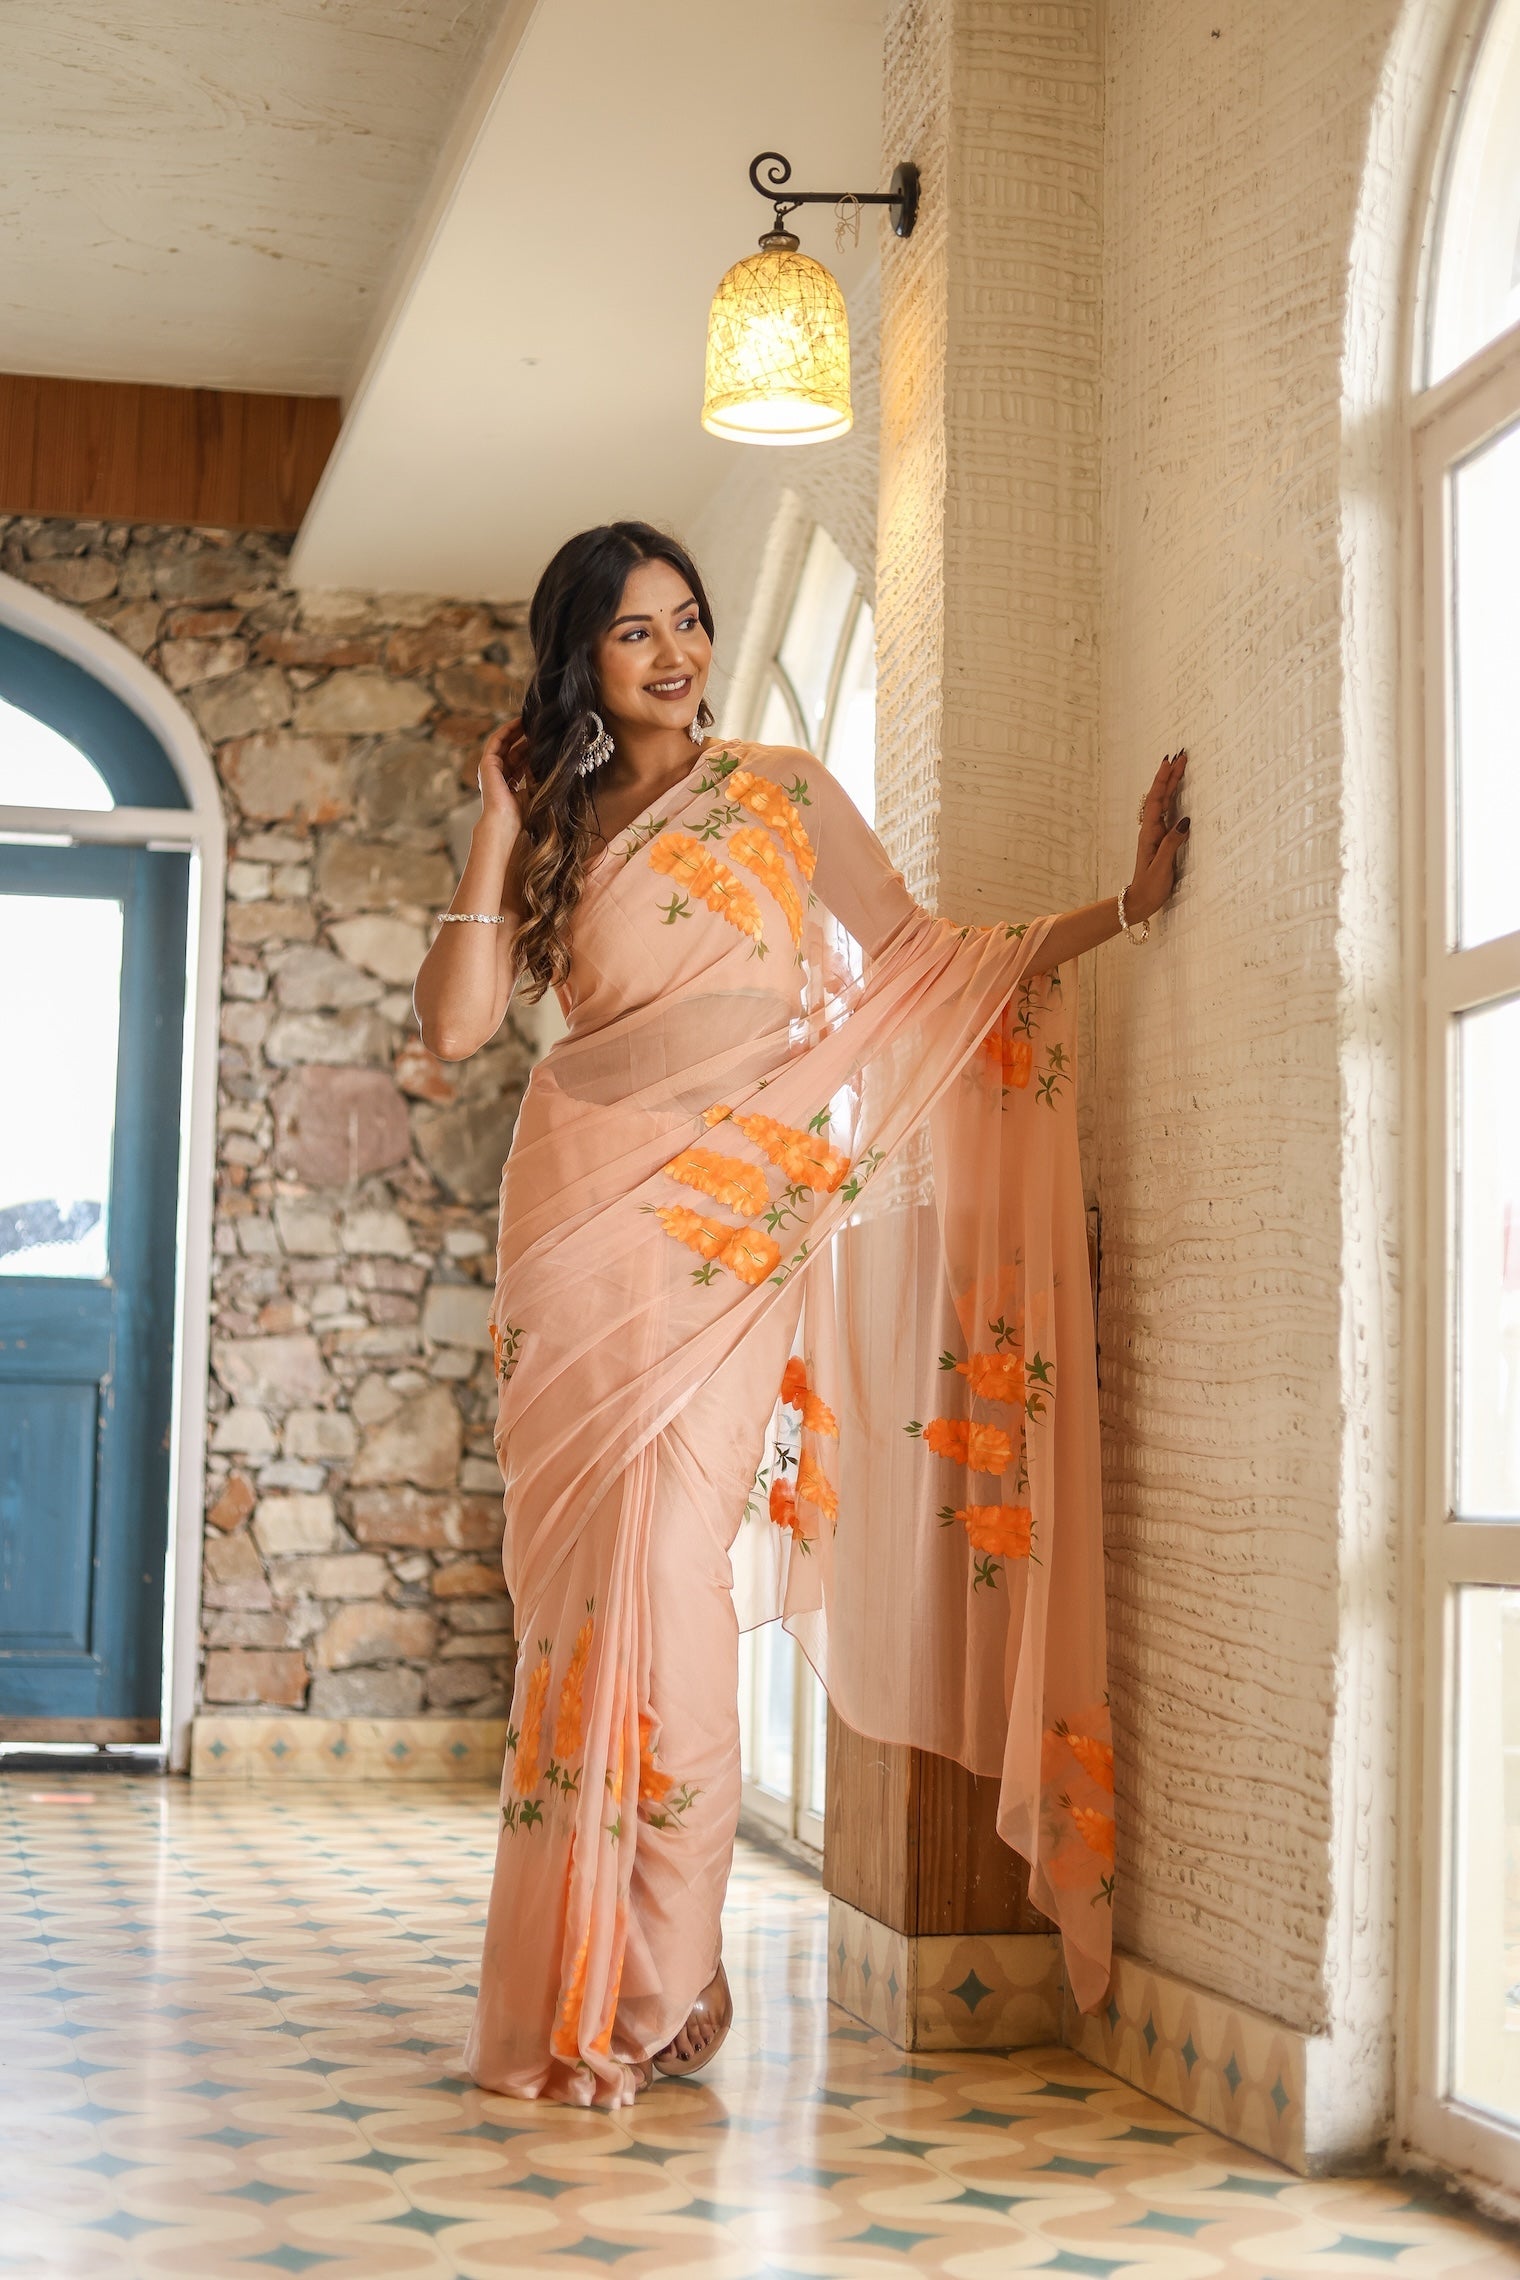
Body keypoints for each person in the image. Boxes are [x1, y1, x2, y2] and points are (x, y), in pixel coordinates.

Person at [413, 520, 1188, 2106]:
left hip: (726, 1233)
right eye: (636, 631)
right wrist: (495, 826)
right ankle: (590, 1969)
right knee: (578, 1602)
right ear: (583, 660)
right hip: (575, 1222)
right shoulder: (555, 823)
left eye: (690, 620)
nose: (676, 653)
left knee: (670, 1579)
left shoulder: (780, 791)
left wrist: (1118, 909)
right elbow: (459, 1027)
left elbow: (922, 963)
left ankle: (660, 1966)